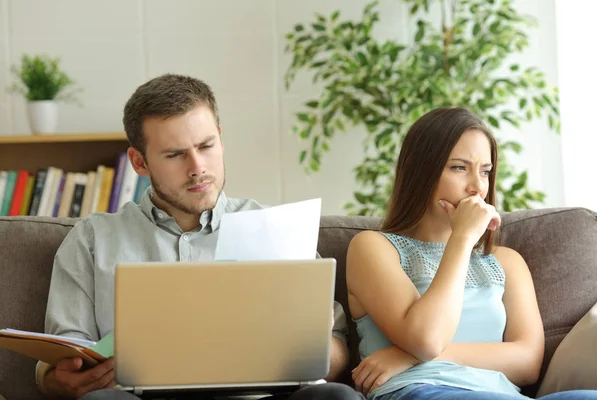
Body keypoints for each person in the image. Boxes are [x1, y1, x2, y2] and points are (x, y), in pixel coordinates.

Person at [36, 73, 362, 400]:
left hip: (260, 397)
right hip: (139, 398)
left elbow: (335, 347)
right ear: (139, 162)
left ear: (220, 138)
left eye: (206, 146)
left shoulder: (276, 228)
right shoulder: (92, 239)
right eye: (175, 155)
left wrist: (310, 351)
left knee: (338, 397)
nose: (197, 168)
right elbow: (62, 360)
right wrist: (59, 380)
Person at [345, 107, 597, 400]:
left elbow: (528, 362)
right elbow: (426, 340)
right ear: (421, 171)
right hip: (421, 390)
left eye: (485, 171)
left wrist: (409, 357)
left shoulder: (507, 262)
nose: (477, 186)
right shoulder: (373, 247)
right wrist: (463, 238)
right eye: (458, 167)